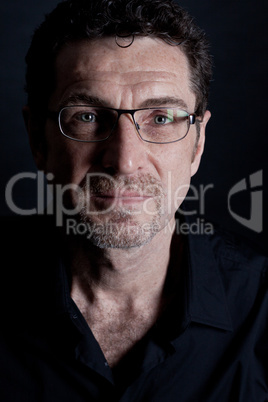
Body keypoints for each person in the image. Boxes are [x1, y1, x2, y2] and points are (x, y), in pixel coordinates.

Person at [0, 0, 267, 401]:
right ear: (39, 140)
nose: (124, 161)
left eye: (161, 118)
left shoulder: (261, 307)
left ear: (198, 144)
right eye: (88, 116)